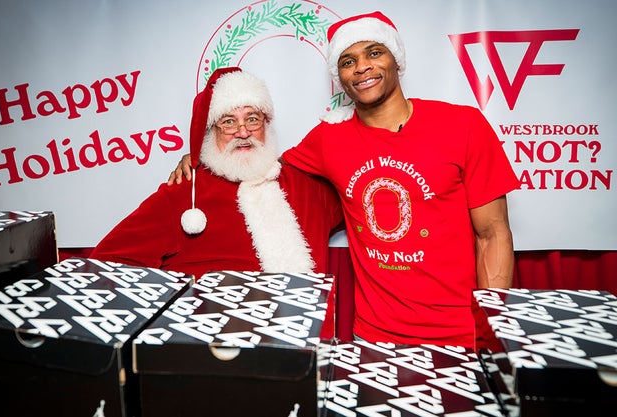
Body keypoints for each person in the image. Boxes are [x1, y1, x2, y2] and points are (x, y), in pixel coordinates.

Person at [168, 12, 519, 348]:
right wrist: (202, 156)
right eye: (347, 61)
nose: (361, 66)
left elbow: (494, 235)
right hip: (373, 335)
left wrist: (490, 329)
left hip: (460, 334)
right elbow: (259, 167)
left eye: (374, 52)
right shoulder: (328, 139)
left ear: (397, 60)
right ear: (339, 76)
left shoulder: (463, 126)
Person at [92, 67, 342, 280]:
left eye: (252, 119)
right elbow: (106, 266)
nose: (242, 132)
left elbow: (363, 193)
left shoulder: (308, 188)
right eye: (228, 121)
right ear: (211, 131)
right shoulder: (185, 190)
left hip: (307, 335)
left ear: (266, 125)